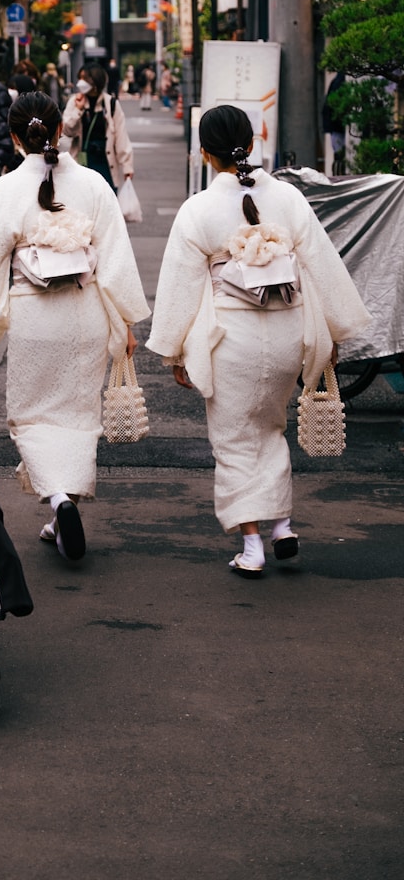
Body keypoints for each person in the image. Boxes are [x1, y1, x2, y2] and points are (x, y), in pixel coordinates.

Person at [145, 105, 370, 576]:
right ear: (251, 144)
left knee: (234, 439)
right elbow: (321, 266)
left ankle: (252, 546)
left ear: (204, 154)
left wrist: (174, 350)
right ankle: (282, 525)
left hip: (231, 338)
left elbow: (181, 287)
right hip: (288, 331)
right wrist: (331, 332)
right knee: (270, 427)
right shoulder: (288, 198)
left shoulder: (198, 209)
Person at [0, 91, 150, 561]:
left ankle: (58, 500)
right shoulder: (94, 184)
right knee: (79, 416)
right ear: (60, 130)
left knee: (32, 414)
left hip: (34, 315)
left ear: (15, 137)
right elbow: (115, 263)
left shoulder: (5, 190)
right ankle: (64, 510)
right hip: (86, 315)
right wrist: (123, 324)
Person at [61, 63, 134, 191]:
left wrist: (127, 166)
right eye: (80, 78)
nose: (80, 82)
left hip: (105, 161)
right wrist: (78, 110)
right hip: (82, 160)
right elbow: (67, 130)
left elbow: (121, 136)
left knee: (106, 197)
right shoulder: (75, 101)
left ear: (95, 82)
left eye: (84, 79)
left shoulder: (111, 104)